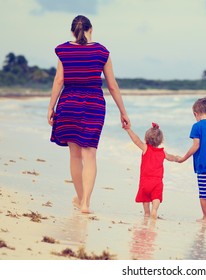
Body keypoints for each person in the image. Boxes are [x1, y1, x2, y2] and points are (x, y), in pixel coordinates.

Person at [47, 15, 130, 214]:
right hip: (93, 104)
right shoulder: (101, 52)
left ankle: (81, 198)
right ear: (90, 29)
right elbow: (112, 86)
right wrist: (123, 111)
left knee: (75, 154)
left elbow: (59, 81)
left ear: (72, 32)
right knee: (90, 154)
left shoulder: (63, 50)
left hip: (68, 104)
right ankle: (85, 203)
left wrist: (51, 107)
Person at [124, 122, 178, 219]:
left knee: (145, 198)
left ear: (146, 138)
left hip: (145, 181)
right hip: (157, 181)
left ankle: (147, 213)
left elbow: (136, 140)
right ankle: (154, 210)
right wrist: (179, 158)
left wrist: (128, 130)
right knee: (156, 197)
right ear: (161, 140)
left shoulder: (145, 148)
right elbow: (171, 157)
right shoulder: (162, 152)